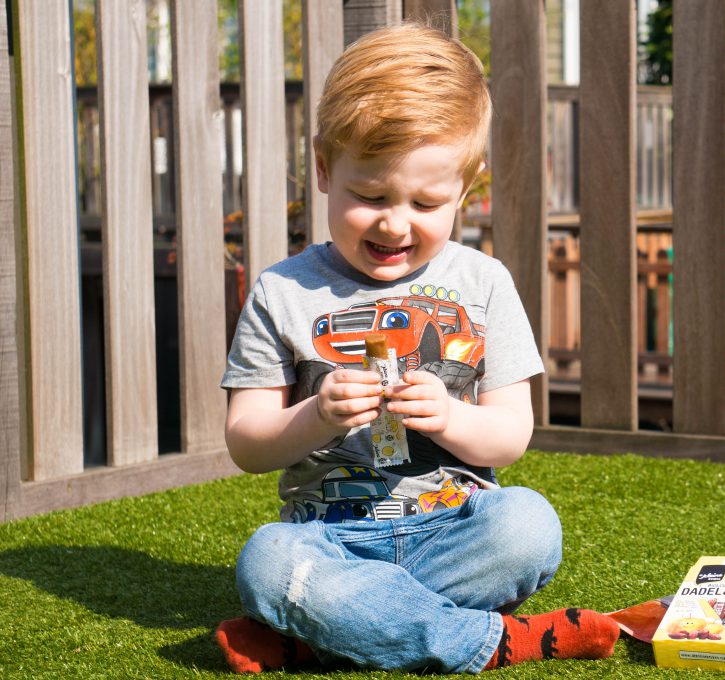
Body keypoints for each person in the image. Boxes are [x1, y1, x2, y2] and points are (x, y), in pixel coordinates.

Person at [214, 23, 620, 674]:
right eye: (369, 196)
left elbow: (511, 435)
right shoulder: (283, 291)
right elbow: (247, 440)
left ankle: (326, 631)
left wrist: (452, 418)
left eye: (427, 202)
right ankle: (485, 641)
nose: (395, 223)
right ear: (323, 166)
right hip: (329, 539)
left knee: (529, 526)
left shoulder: (483, 284)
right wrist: (317, 413)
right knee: (267, 561)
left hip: (454, 527)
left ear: (466, 186)